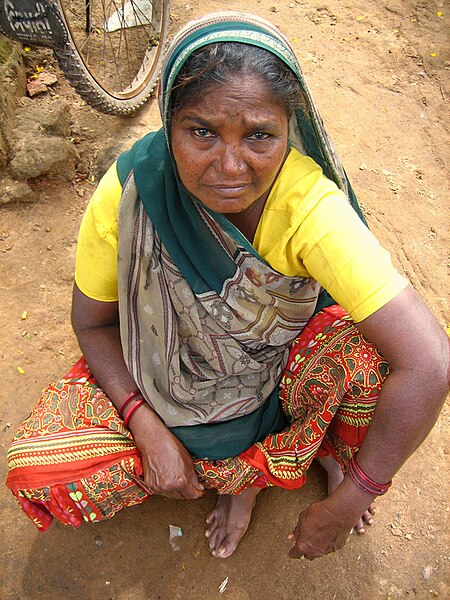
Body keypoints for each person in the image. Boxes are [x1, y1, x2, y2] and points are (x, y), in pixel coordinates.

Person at [6, 12, 449, 561]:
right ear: (168, 125)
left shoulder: (309, 209)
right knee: (39, 468)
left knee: (371, 360)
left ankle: (266, 475)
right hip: (162, 371)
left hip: (282, 372)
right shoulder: (131, 191)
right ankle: (267, 463)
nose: (230, 166)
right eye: (202, 132)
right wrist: (142, 421)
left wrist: (352, 501)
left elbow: (429, 363)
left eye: (260, 135)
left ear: (291, 129)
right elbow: (92, 322)